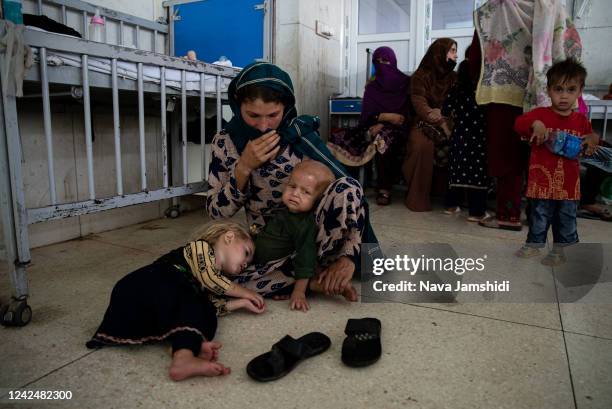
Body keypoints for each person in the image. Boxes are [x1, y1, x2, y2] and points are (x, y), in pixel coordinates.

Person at [206, 62, 379, 298]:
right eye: (253, 115)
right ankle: (311, 279)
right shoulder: (225, 143)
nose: (264, 126)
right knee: (219, 273)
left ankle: (327, 267)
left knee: (348, 187)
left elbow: (348, 195)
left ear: (286, 108)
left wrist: (348, 257)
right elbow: (217, 212)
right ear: (238, 106)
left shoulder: (300, 135)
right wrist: (244, 167)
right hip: (268, 247)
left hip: (314, 238)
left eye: (273, 115)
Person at [86, 221, 265, 381]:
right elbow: (209, 277)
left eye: (248, 264)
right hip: (146, 283)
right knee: (191, 298)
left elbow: (212, 305)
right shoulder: (200, 248)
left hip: (158, 306)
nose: (245, 265)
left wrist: (240, 304)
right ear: (229, 237)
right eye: (246, 253)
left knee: (204, 309)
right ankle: (187, 346)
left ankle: (184, 355)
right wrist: (245, 292)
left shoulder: (198, 289)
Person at [471, 0, 583, 231]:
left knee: (507, 157)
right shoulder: (555, 7)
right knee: (543, 157)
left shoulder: (497, 8)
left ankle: (508, 215)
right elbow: (573, 48)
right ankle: (537, 217)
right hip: (547, 95)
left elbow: (476, 55)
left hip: (504, 95)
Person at [514, 59, 599, 265]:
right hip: (541, 184)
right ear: (549, 90)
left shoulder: (581, 121)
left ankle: (561, 251)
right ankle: (534, 244)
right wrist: (535, 124)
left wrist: (593, 138)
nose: (564, 95)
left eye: (571, 89)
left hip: (569, 186)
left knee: (566, 220)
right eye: (558, 89)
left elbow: (591, 138)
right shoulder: (540, 114)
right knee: (539, 216)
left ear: (580, 91)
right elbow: (519, 124)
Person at [254, 160, 356, 312]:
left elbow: (305, 258)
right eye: (292, 186)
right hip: (262, 262)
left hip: (282, 267)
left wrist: (299, 293)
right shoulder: (284, 210)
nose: (295, 194)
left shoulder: (304, 224)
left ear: (317, 201)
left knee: (244, 286)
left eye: (305, 192)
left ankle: (322, 285)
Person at [327, 46, 411, 205]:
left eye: (385, 61)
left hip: (399, 129)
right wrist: (382, 118)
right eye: (377, 62)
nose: (382, 65)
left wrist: (385, 122)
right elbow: (366, 117)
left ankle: (384, 188)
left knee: (383, 138)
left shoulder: (406, 84)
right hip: (371, 126)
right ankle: (345, 182)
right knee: (338, 136)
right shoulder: (372, 87)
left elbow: (404, 116)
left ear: (393, 62)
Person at [402, 38, 457, 211]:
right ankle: (418, 199)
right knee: (421, 145)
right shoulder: (420, 76)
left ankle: (452, 198)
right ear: (440, 53)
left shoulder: (455, 78)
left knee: (462, 143)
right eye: (452, 51)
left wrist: (444, 116)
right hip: (423, 121)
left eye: (456, 51)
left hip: (450, 121)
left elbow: (456, 104)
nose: (456, 55)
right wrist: (439, 119)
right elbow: (419, 105)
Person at [441, 46, 489, 221]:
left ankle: (451, 206)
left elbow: (445, 110)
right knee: (478, 174)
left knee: (456, 171)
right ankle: (477, 212)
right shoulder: (484, 91)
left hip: (459, 136)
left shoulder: (457, 88)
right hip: (479, 138)